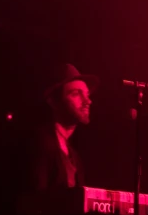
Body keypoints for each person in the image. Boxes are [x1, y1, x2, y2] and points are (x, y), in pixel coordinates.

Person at [21, 63, 97, 196]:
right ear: (54, 102)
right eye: (76, 94)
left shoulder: (75, 157)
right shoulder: (39, 144)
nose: (87, 101)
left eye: (87, 94)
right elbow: (32, 202)